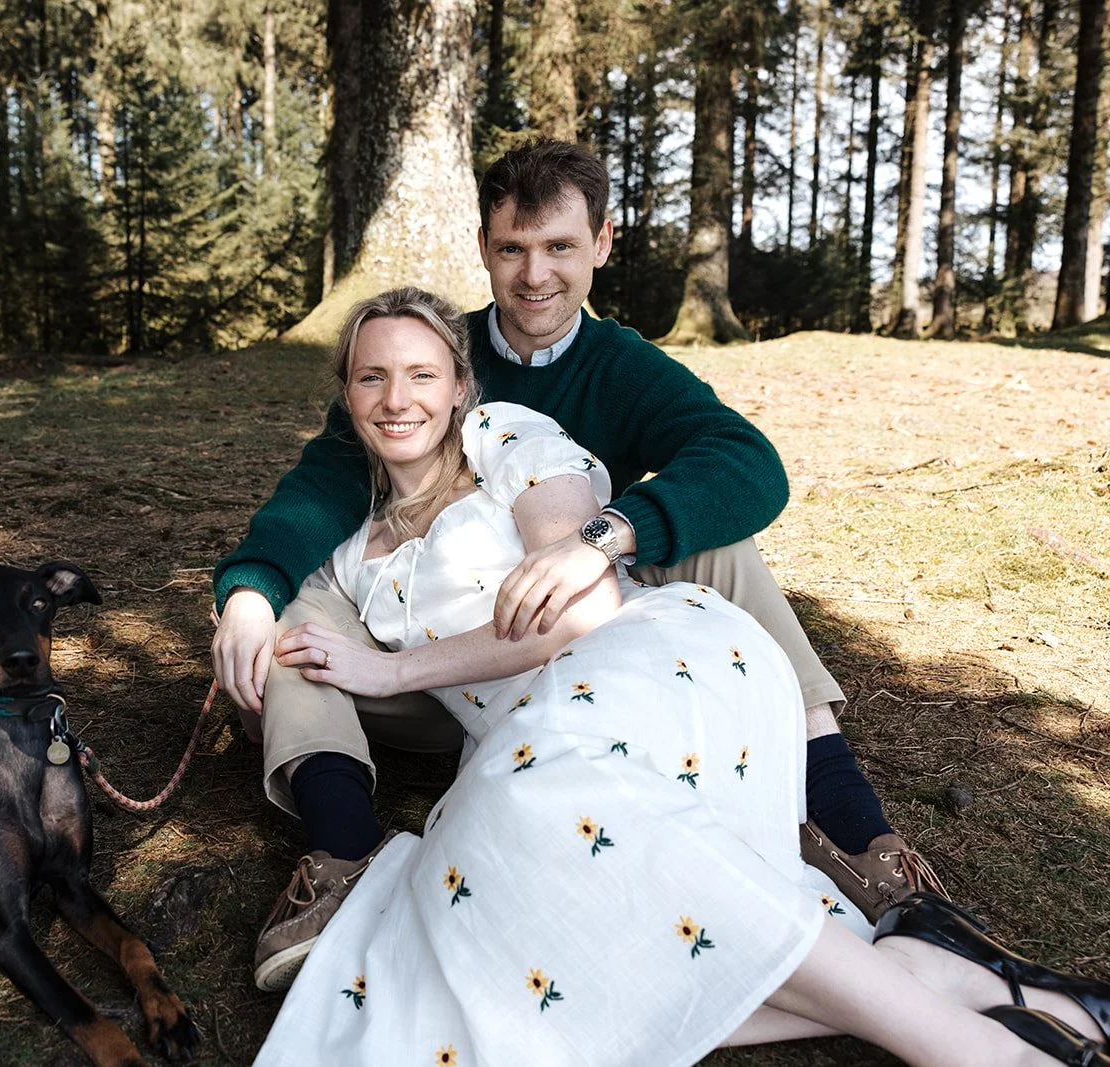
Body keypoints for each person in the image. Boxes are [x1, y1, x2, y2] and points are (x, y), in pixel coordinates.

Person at [251, 287, 1110, 1067]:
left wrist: (393, 665)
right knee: (508, 925)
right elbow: (284, 580)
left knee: (532, 809)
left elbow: (572, 611)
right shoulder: (352, 551)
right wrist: (255, 608)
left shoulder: (507, 439)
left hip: (643, 662)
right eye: (372, 378)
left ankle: (972, 1050)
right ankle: (917, 970)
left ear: (457, 386)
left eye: (420, 374)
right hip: (528, 731)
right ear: (347, 393)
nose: (397, 400)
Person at [214, 139, 935, 991]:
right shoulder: (430, 356)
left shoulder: (622, 366)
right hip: (440, 667)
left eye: (559, 246)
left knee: (713, 536)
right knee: (297, 605)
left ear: (601, 243)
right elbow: (324, 483)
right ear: (483, 247)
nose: (534, 275)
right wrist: (252, 591)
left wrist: (616, 528)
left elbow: (748, 463)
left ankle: (850, 823)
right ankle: (342, 852)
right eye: (512, 248)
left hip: (583, 635)